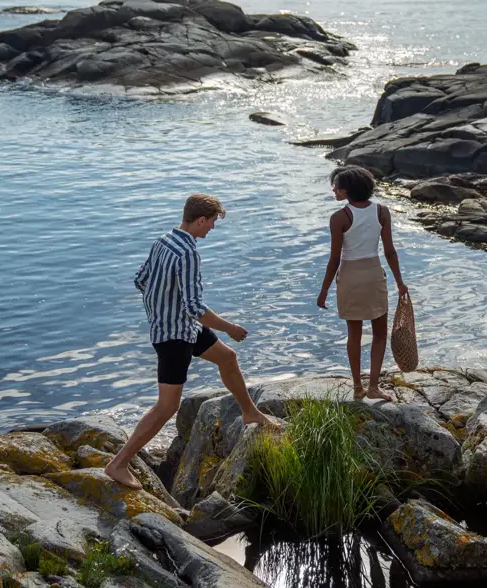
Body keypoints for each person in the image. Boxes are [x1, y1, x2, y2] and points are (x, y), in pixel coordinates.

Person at [105, 193, 276, 490]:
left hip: (180, 328)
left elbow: (140, 280)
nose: (211, 229)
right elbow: (194, 307)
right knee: (166, 407)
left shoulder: (162, 240)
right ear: (200, 220)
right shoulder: (188, 253)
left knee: (228, 359)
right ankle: (118, 464)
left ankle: (250, 412)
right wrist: (230, 328)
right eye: (211, 223)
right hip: (173, 337)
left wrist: (160, 307)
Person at [317, 166, 408, 401]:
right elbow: (389, 251)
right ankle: (374, 386)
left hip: (349, 277)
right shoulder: (382, 212)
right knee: (379, 334)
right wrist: (400, 282)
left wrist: (324, 290)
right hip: (374, 275)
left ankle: (358, 387)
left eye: (336, 185)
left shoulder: (339, 218)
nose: (333, 189)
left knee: (354, 335)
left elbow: (334, 259)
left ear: (348, 190)